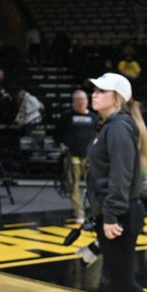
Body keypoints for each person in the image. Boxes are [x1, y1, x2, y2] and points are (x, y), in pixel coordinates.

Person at [86, 73, 147, 292]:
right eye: (94, 90)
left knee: (122, 283)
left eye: (101, 91)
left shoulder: (118, 128)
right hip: (112, 211)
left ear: (117, 98)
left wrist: (111, 215)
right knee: (113, 280)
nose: (94, 95)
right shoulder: (107, 126)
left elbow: (120, 176)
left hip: (119, 215)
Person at [54, 90, 97, 223]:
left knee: (95, 185)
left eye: (82, 99)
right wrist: (61, 145)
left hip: (90, 157)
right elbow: (56, 134)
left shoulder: (93, 117)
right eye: (77, 99)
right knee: (73, 185)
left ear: (87, 101)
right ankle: (79, 212)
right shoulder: (66, 116)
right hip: (72, 156)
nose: (80, 102)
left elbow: (98, 134)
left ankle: (96, 211)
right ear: (73, 102)